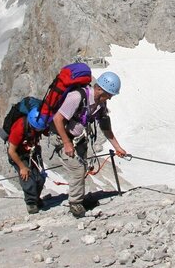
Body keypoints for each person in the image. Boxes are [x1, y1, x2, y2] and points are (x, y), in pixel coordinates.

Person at [49, 70, 128, 218]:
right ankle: (75, 203)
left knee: (82, 166)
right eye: (108, 94)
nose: (110, 98)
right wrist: (66, 143)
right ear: (99, 89)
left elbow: (106, 128)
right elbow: (57, 119)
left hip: (77, 139)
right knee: (78, 168)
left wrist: (117, 147)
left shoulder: (100, 104)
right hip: (61, 138)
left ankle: (80, 199)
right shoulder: (76, 97)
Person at [7, 109, 47, 214]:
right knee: (27, 177)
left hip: (32, 150)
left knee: (40, 177)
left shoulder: (39, 124)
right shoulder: (19, 128)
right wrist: (22, 167)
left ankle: (36, 198)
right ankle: (31, 203)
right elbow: (11, 151)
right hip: (19, 154)